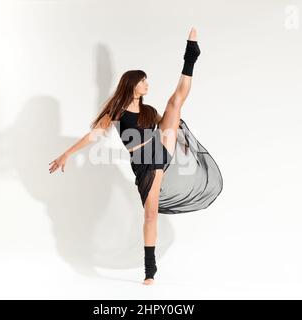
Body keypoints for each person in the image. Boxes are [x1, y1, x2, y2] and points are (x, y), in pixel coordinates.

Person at [49, 27, 223, 285]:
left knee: (175, 102)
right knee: (150, 214)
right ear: (132, 83)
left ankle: (190, 57)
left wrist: (178, 139)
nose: (146, 83)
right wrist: (67, 154)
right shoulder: (116, 111)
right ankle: (150, 268)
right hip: (143, 164)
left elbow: (170, 124)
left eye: (146, 80)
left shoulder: (149, 111)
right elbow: (94, 136)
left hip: (159, 151)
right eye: (143, 80)